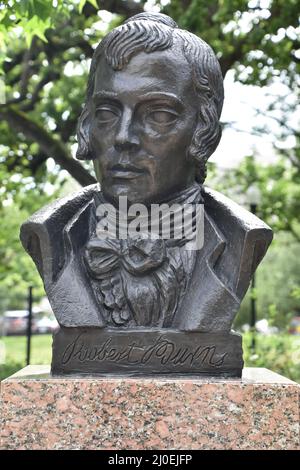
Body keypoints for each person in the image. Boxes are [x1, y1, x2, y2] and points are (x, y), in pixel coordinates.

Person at [20, 12, 272, 331]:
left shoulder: (242, 238)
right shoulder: (48, 234)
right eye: (108, 112)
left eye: (159, 115)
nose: (124, 137)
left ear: (203, 132)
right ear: (86, 126)